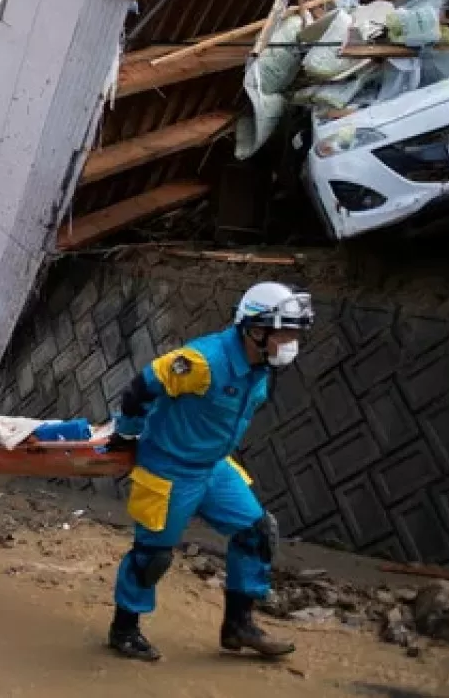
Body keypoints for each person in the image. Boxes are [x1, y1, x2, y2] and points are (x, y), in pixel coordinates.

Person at [106, 282, 313, 662]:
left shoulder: (259, 367)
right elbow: (141, 387)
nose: (291, 341)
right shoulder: (202, 362)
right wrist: (127, 432)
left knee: (257, 532)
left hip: (213, 467)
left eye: (295, 333)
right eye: (285, 332)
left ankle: (238, 626)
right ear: (256, 328)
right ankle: (124, 629)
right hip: (169, 467)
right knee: (152, 555)